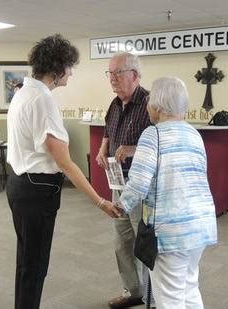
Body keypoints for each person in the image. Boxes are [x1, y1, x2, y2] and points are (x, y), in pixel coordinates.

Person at [6, 34, 121, 309]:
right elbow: (65, 163)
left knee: (26, 262)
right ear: (57, 70)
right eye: (70, 67)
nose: (71, 73)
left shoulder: (23, 92)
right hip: (36, 191)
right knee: (34, 266)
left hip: (19, 185)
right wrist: (100, 201)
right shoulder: (42, 101)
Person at [117, 77, 218, 309]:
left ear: (158, 104)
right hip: (199, 226)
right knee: (189, 288)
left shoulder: (153, 135)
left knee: (169, 299)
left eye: (149, 100)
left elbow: (138, 183)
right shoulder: (194, 134)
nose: (147, 104)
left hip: (171, 230)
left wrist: (120, 206)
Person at [96, 52, 151, 308]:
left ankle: (154, 294)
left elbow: (162, 144)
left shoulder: (151, 103)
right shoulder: (115, 103)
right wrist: (102, 147)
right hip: (119, 183)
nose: (112, 79)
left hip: (142, 186)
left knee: (144, 241)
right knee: (121, 240)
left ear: (135, 75)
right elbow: (109, 129)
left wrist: (132, 149)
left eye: (118, 73)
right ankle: (133, 292)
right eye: (110, 73)